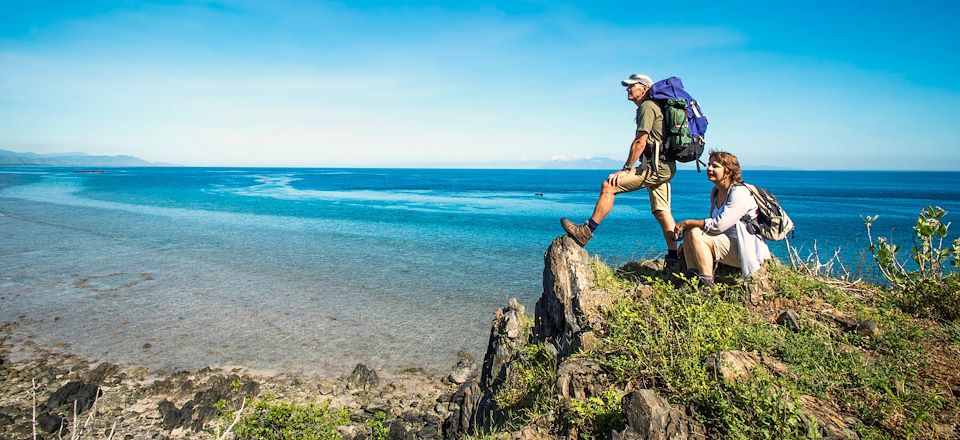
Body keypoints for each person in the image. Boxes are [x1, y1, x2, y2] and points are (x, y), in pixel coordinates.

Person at [560, 73, 679, 264]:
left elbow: (640, 141)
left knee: (609, 185)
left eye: (632, 85)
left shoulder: (647, 107)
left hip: (655, 168)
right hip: (664, 167)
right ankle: (675, 257)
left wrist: (626, 168)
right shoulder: (654, 107)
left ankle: (586, 231)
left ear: (644, 87)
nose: (628, 89)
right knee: (662, 211)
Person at [673, 150, 771, 285]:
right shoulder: (716, 192)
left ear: (729, 171)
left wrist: (687, 222)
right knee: (691, 233)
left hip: (744, 250)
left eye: (715, 166)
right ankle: (692, 278)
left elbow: (718, 225)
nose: (709, 168)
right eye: (708, 165)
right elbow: (712, 227)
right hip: (726, 245)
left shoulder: (739, 192)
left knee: (694, 231)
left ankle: (706, 283)